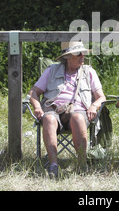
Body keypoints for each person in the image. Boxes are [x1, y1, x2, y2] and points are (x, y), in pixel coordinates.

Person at [28, 41, 106, 177]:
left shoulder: (89, 72)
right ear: (67, 57)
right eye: (78, 54)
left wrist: (94, 105)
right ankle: (53, 166)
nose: (83, 56)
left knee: (77, 118)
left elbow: (101, 97)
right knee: (49, 118)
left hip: (79, 111)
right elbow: (33, 92)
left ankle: (82, 165)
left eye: (83, 53)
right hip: (53, 109)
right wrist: (37, 107)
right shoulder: (51, 70)